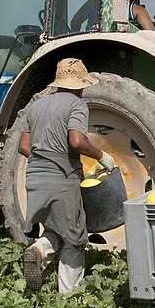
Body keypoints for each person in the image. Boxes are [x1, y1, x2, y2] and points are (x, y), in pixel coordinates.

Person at [19, 58, 116, 294]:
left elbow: (23, 146)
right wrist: (102, 156)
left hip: (34, 179)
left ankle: (39, 250)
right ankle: (68, 298)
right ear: (81, 85)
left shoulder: (37, 105)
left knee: (55, 229)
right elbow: (76, 140)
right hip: (61, 179)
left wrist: (46, 155)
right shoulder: (76, 105)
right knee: (74, 237)